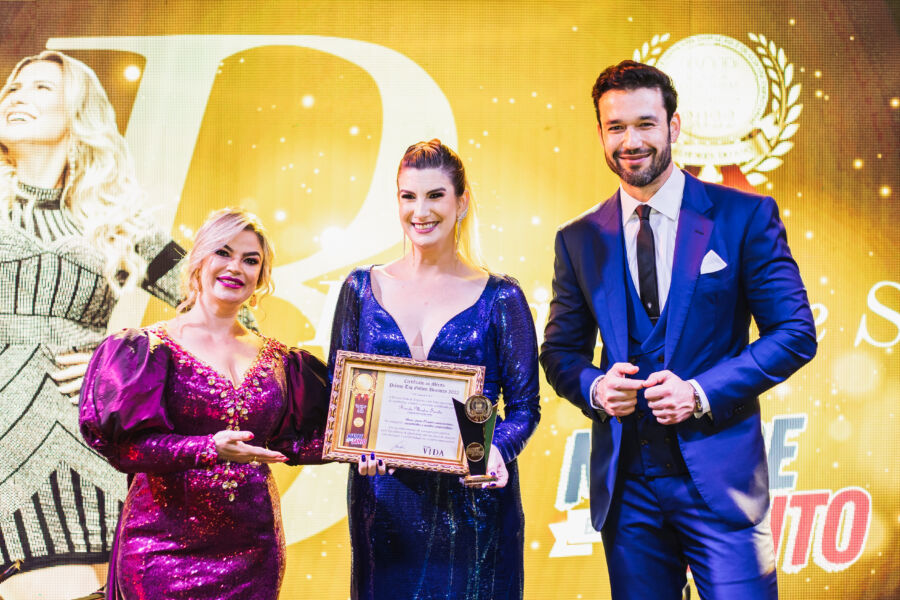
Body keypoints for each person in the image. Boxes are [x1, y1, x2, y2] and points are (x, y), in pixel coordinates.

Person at [540, 60, 817, 599]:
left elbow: (795, 332)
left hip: (723, 486)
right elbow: (559, 352)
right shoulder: (578, 238)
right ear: (600, 133)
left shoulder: (744, 216)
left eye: (645, 124)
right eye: (616, 127)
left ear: (674, 126)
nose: (631, 141)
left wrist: (700, 392)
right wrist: (596, 388)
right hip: (628, 491)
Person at [0, 50, 188, 599]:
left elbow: (228, 313)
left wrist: (131, 361)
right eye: (14, 88)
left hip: (68, 459)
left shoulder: (119, 220)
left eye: (41, 88)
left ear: (79, 112)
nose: (17, 97)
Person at [79, 208, 329, 599]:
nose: (235, 267)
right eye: (223, 253)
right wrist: (208, 448)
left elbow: (292, 444)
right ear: (198, 260)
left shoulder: (283, 362)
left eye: (250, 260)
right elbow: (128, 450)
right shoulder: (147, 350)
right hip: (161, 550)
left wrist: (362, 453)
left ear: (262, 276)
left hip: (254, 551)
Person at [329, 139, 541, 600]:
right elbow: (339, 394)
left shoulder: (502, 297)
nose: (420, 211)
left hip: (474, 509)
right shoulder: (360, 289)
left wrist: (494, 449)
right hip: (384, 504)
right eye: (408, 196)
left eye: (435, 195)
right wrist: (355, 443)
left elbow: (526, 408)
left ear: (461, 202)